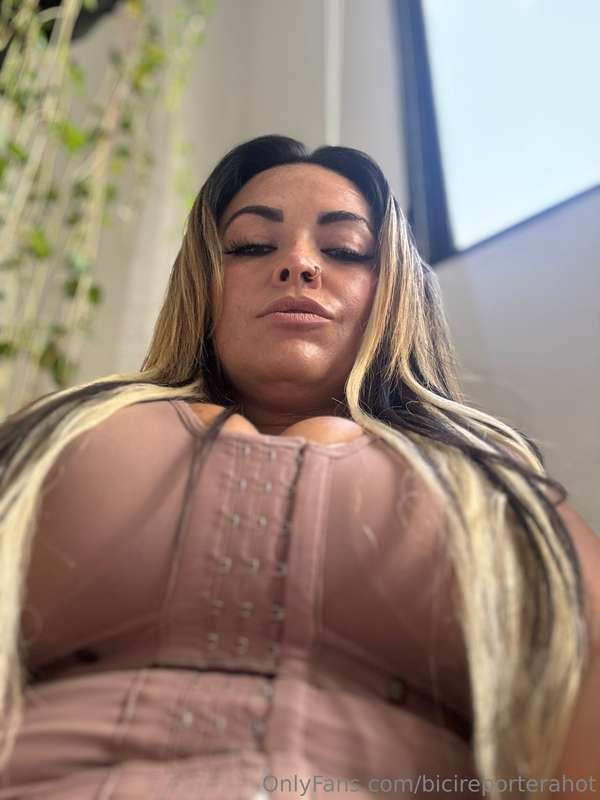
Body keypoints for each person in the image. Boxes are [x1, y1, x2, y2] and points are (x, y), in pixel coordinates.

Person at [0, 134, 598, 799]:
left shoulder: (489, 471)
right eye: (253, 246)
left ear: (393, 292)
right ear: (204, 284)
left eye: (344, 250)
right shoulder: (67, 428)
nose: (299, 265)